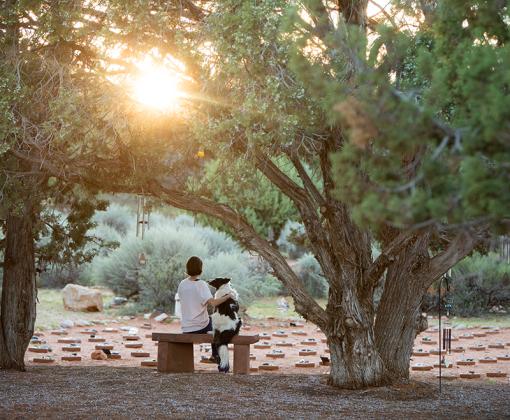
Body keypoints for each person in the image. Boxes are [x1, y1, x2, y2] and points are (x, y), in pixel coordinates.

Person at [177, 256, 234, 364]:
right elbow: (213, 303)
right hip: (200, 326)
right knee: (218, 323)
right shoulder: (201, 284)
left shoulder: (182, 284)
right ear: (200, 268)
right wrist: (227, 296)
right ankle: (215, 355)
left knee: (212, 322)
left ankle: (215, 355)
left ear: (188, 268)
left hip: (186, 327)